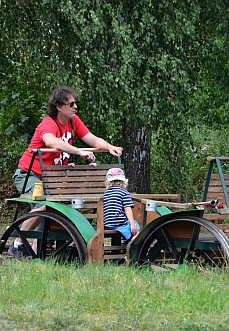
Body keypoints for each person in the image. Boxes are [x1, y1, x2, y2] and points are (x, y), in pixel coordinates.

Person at [9, 87, 123, 258]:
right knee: (45, 204)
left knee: (59, 207)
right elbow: (51, 141)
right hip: (30, 174)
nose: (75, 107)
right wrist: (78, 151)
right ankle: (18, 244)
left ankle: (37, 252)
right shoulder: (48, 123)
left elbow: (92, 139)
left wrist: (109, 147)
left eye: (75, 103)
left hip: (53, 178)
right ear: (59, 107)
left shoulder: (73, 121)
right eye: (71, 103)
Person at [103, 168, 140, 241]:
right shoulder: (124, 193)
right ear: (123, 182)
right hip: (119, 223)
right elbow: (127, 209)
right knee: (137, 229)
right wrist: (132, 224)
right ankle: (132, 246)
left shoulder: (106, 193)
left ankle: (127, 242)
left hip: (107, 224)